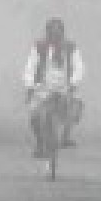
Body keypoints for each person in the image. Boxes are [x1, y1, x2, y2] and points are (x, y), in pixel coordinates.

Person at [22, 17, 85, 156]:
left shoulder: (70, 48)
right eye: (52, 33)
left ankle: (66, 135)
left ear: (63, 34)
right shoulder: (39, 47)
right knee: (34, 113)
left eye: (58, 33)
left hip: (65, 87)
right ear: (47, 34)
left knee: (77, 106)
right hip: (43, 87)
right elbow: (30, 67)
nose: (55, 37)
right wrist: (30, 85)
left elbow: (78, 67)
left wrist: (73, 83)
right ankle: (40, 142)